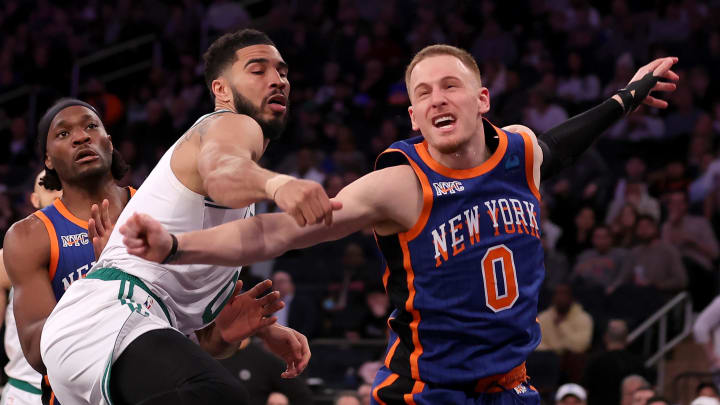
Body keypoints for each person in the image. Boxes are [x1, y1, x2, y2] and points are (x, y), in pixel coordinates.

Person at [122, 46, 678, 404]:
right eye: (423, 93)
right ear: (413, 117)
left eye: (450, 86)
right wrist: (175, 246)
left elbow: (565, 143)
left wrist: (626, 98)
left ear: (482, 100)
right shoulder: (400, 183)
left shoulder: (521, 152)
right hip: (429, 392)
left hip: (513, 388)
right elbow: (278, 233)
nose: (438, 98)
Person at [41, 29, 324, 405]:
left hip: (108, 337)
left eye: (283, 72)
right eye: (258, 70)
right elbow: (222, 170)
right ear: (221, 90)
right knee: (218, 396)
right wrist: (278, 186)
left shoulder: (232, 203)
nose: (277, 80)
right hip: (108, 319)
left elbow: (198, 342)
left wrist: (235, 334)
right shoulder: (228, 124)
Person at [3, 99, 137, 405]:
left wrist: (220, 338)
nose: (81, 136)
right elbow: (38, 352)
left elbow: (194, 330)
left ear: (109, 142)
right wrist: (106, 279)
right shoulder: (30, 235)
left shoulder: (153, 209)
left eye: (91, 126)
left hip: (158, 384)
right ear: (48, 160)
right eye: (63, 134)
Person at [0, 170, 62, 405]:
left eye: (63, 185)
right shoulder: (12, 256)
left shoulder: (98, 245)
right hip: (25, 391)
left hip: (77, 390)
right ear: (35, 200)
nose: (58, 193)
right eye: (50, 186)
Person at [582, 319, 646, 405]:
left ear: (605, 338)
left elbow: (584, 391)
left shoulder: (594, 361)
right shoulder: (638, 363)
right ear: (626, 338)